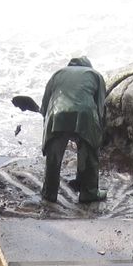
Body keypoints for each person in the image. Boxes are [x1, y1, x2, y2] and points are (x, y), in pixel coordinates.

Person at [40, 56, 107, 204]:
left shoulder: (57, 74)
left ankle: (49, 193)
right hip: (84, 115)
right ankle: (88, 193)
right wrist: (99, 133)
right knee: (89, 153)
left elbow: (44, 106)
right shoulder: (95, 75)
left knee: (53, 158)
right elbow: (100, 107)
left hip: (57, 113)